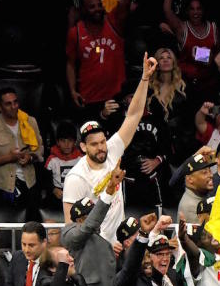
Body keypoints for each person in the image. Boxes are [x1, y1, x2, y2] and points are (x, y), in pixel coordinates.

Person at [62, 53, 158, 241]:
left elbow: (134, 115)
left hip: (120, 243)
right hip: (95, 250)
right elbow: (70, 230)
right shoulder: (76, 177)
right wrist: (100, 247)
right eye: (94, 144)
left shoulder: (112, 150)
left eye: (102, 142)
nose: (101, 148)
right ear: (83, 147)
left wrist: (145, 78)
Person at [0, 87, 44, 210]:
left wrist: (30, 157)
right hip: (1, 187)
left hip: (30, 183)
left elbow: (40, 148)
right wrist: (9, 157)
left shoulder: (30, 121)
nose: (13, 106)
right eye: (8, 104)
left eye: (15, 102)